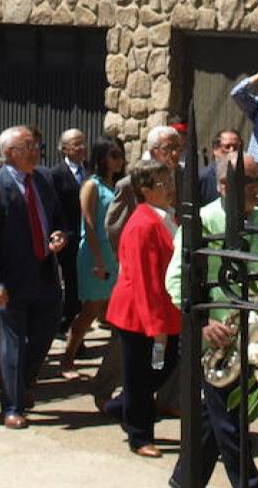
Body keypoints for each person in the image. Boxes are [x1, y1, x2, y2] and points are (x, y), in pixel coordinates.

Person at [167, 156, 258, 488]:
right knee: (229, 422)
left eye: (257, 181)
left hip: (254, 334)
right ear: (223, 186)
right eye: (247, 182)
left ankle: (185, 480)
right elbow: (175, 281)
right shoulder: (202, 221)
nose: (255, 189)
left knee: (214, 421)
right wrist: (201, 324)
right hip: (215, 338)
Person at [0, 124, 69, 428]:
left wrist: (60, 235)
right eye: (29, 146)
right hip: (11, 281)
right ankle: (12, 405)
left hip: (44, 274)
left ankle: (23, 380)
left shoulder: (42, 180)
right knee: (13, 342)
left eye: (36, 145)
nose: (36, 150)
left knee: (45, 334)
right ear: (11, 153)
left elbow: (58, 220)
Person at [103, 158, 179, 459]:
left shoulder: (164, 216)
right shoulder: (142, 224)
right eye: (162, 183)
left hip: (160, 313)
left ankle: (121, 407)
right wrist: (156, 326)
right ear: (144, 190)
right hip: (139, 317)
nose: (170, 187)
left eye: (169, 180)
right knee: (141, 376)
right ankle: (140, 435)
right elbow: (144, 280)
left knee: (159, 369)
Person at [63, 138, 124, 369]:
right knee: (90, 311)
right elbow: (88, 223)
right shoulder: (92, 185)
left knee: (112, 311)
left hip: (111, 253)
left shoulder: (113, 185)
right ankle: (68, 358)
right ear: (102, 157)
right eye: (114, 155)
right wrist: (98, 260)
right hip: (94, 252)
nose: (119, 160)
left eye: (120, 155)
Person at [50, 128, 87, 338]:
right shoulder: (56, 174)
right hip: (69, 238)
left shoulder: (90, 171)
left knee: (83, 286)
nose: (82, 148)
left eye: (83, 143)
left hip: (88, 237)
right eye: (76, 144)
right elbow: (55, 207)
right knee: (72, 284)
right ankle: (65, 324)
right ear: (64, 149)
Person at [197, 130, 244, 206]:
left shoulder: (246, 175)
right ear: (215, 149)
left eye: (236, 147)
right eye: (227, 147)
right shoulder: (202, 178)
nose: (232, 151)